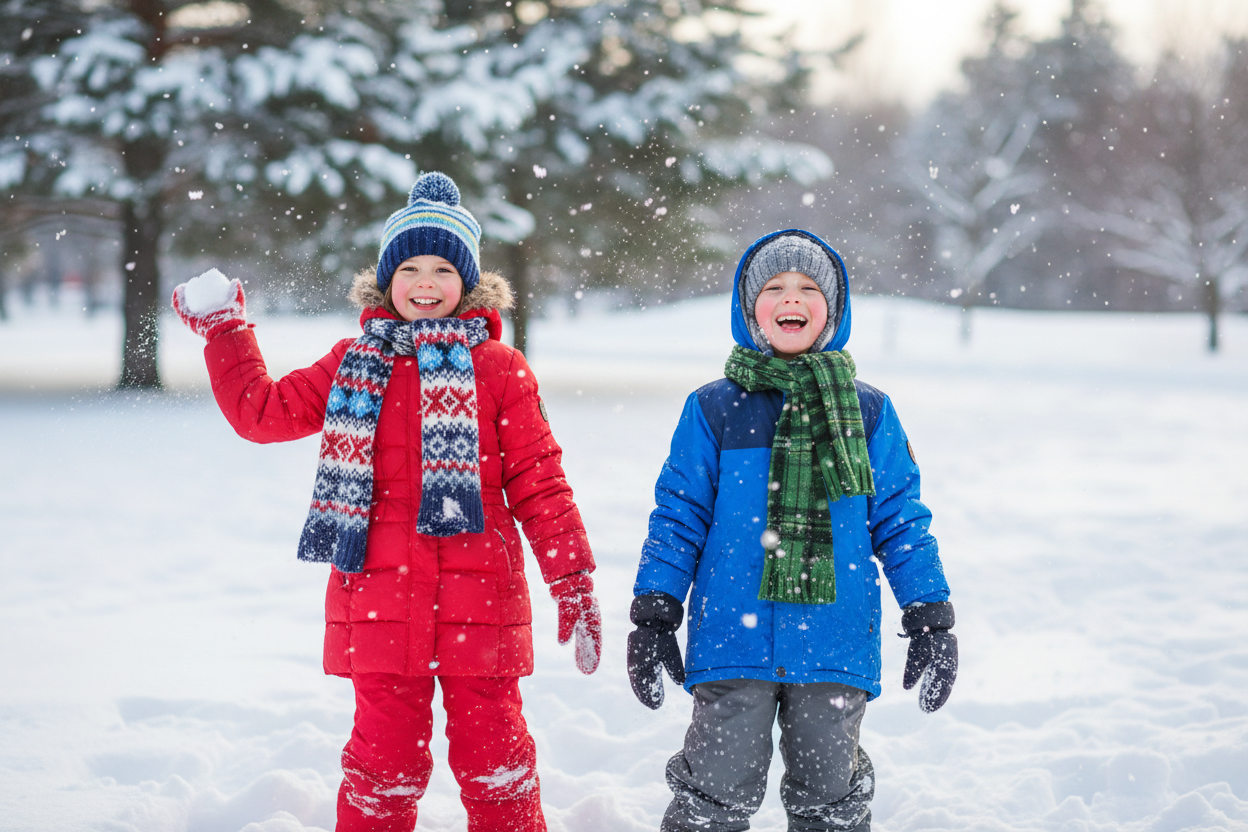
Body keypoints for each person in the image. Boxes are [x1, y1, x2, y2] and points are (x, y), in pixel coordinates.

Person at [171, 172, 601, 832]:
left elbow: (541, 483)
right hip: (379, 601)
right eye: (409, 268)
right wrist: (227, 331)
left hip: (479, 606)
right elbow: (262, 413)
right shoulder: (352, 363)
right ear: (385, 279)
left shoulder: (498, 370)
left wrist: (572, 578)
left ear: (469, 283)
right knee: (381, 772)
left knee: (498, 767)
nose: (425, 282)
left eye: (441, 269)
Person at [626, 229, 958, 832]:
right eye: (774, 287)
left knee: (830, 800)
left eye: (808, 287)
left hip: (832, 641)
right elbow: (679, 514)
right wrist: (654, 610)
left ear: (833, 309)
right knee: (712, 797)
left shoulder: (868, 411)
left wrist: (930, 614)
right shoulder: (714, 408)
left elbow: (900, 519)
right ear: (748, 307)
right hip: (734, 638)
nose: (791, 298)